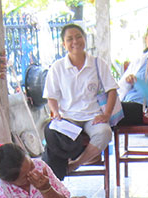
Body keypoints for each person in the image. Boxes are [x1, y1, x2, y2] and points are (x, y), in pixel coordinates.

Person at [43, 24, 118, 179]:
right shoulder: (57, 67)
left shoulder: (97, 63)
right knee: (51, 133)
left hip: (93, 116)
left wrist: (107, 115)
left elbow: (112, 90)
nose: (75, 41)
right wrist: (56, 113)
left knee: (104, 133)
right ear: (64, 44)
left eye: (78, 37)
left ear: (85, 39)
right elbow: (51, 96)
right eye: (69, 39)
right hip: (68, 117)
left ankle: (75, 164)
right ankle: (56, 176)